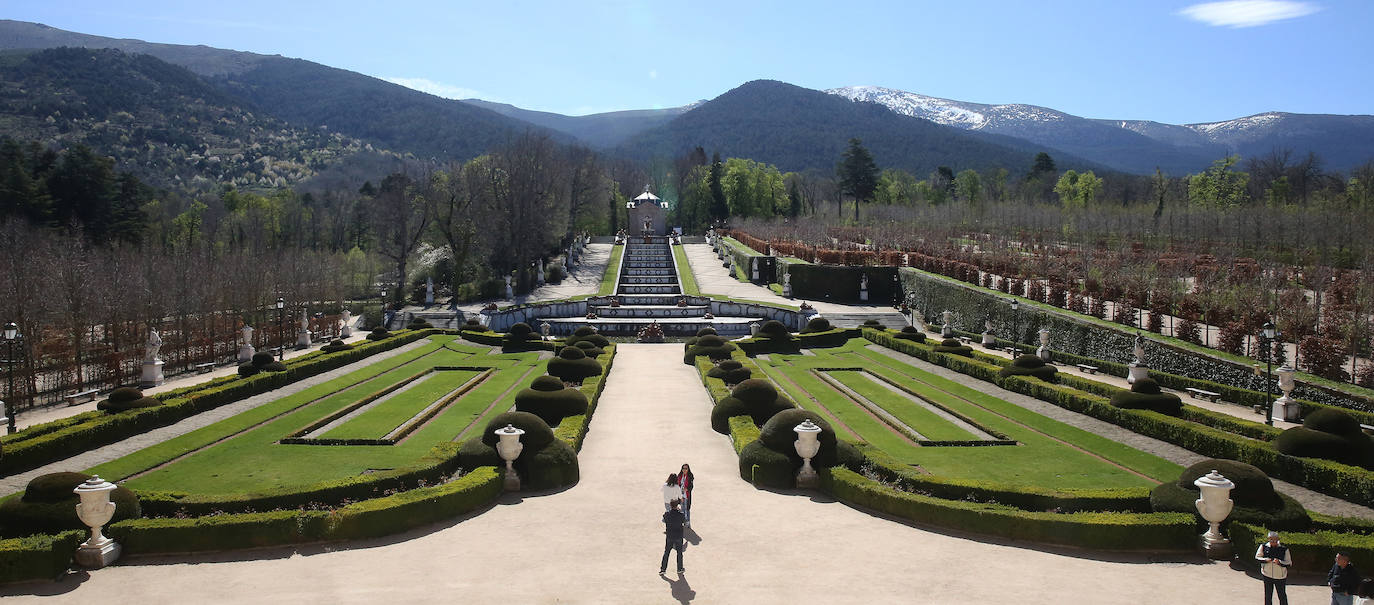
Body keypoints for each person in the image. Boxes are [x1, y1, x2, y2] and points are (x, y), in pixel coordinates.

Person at [1256, 531, 1291, 605]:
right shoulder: (1263, 546)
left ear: (1278, 539)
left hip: (1280, 576)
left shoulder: (1284, 549)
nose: (1273, 541)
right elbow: (1257, 557)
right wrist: (1265, 560)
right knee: (1268, 595)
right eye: (1271, 539)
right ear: (1268, 539)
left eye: (1275, 540)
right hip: (1267, 575)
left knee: (1282, 595)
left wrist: (1280, 562)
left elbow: (1289, 563)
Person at [660, 498, 685, 575]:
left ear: (670, 506)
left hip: (670, 536)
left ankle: (663, 569)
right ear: (677, 505)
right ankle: (679, 568)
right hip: (678, 535)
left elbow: (663, 520)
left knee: (667, 552)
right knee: (679, 553)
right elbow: (684, 521)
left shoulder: (667, 515)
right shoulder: (681, 515)